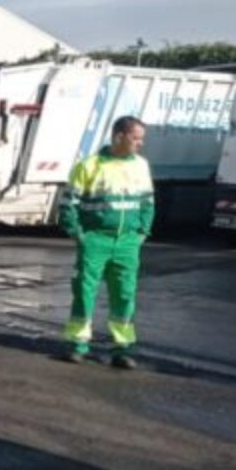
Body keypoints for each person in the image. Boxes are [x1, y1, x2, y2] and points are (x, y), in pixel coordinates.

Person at [59, 115, 154, 369]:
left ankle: (121, 349)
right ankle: (78, 345)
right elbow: (68, 204)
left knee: (124, 295)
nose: (140, 144)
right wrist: (79, 234)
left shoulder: (141, 166)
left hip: (127, 243)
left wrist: (142, 232)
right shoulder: (89, 166)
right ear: (119, 136)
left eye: (141, 139)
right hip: (95, 240)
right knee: (84, 291)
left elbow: (148, 202)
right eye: (136, 138)